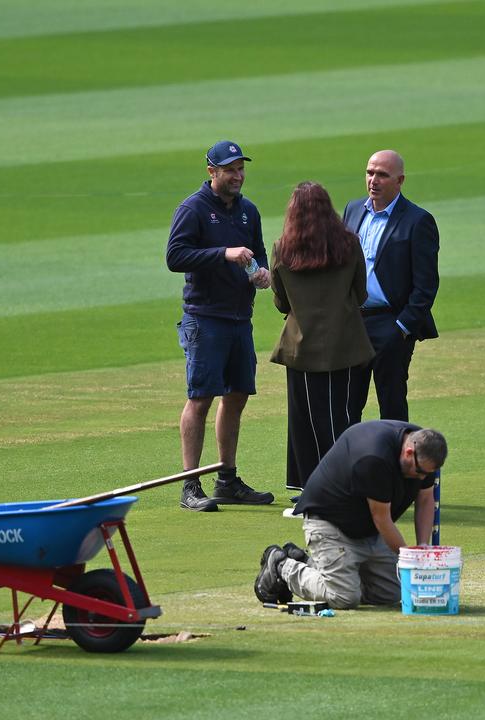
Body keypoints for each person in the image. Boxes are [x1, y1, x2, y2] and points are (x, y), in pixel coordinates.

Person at [165, 140, 275, 512]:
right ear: (212, 172)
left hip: (240, 318)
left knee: (237, 395)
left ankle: (226, 480)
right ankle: (190, 484)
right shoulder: (193, 208)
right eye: (230, 170)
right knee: (201, 398)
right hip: (205, 318)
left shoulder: (248, 211)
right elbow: (175, 256)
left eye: (241, 169)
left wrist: (261, 272)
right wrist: (224, 254)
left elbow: (258, 251)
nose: (238, 176)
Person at [254, 420, 447, 609]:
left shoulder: (425, 450)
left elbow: (425, 499)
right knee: (344, 598)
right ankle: (281, 565)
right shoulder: (375, 458)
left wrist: (423, 546)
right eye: (419, 472)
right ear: (408, 452)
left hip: (367, 528)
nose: (422, 477)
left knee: (390, 593)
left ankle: (309, 564)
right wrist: (411, 560)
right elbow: (382, 519)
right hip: (330, 522)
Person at [269, 181, 374, 499]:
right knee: (339, 417)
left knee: (302, 420)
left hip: (299, 347)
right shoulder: (349, 244)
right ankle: (343, 485)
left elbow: (281, 303)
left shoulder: (282, 249)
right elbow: (361, 294)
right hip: (343, 345)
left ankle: (309, 487)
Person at [342, 150, 440, 422]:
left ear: (400, 180)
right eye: (369, 172)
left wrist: (402, 328)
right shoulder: (352, 210)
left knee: (392, 405)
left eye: (382, 175)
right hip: (354, 322)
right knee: (347, 405)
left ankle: (397, 452)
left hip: (391, 323)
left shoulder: (418, 220)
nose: (373, 180)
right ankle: (349, 452)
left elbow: (426, 284)